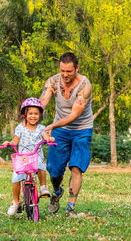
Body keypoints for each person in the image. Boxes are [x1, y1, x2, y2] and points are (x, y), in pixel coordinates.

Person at [40, 52, 93, 217]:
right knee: (54, 170)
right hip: (61, 131)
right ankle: (56, 191)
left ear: (77, 68)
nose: (65, 74)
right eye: (62, 70)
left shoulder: (85, 86)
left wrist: (51, 125)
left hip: (81, 129)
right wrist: (31, 117)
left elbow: (74, 115)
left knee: (76, 167)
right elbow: (42, 102)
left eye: (69, 71)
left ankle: (70, 207)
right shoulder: (53, 81)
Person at [2, 97, 55, 216]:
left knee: (41, 165)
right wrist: (10, 143)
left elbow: (46, 136)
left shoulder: (42, 128)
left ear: (40, 114)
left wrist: (49, 139)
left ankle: (43, 187)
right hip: (23, 159)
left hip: (36, 157)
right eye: (30, 113)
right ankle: (16, 201)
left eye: (36, 114)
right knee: (16, 178)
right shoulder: (20, 127)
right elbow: (15, 140)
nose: (33, 116)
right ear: (25, 114)